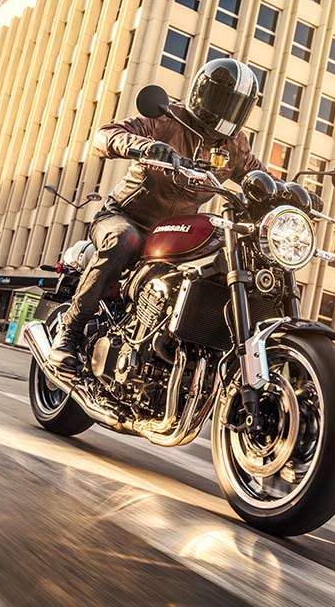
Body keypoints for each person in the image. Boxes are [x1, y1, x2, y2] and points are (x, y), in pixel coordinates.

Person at [49, 58, 264, 372]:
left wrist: (289, 191)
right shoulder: (168, 119)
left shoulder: (234, 145)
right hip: (124, 217)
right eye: (222, 100)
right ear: (204, 94)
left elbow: (257, 175)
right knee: (124, 239)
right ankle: (69, 332)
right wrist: (143, 147)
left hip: (174, 234)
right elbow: (106, 135)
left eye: (236, 105)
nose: (227, 111)